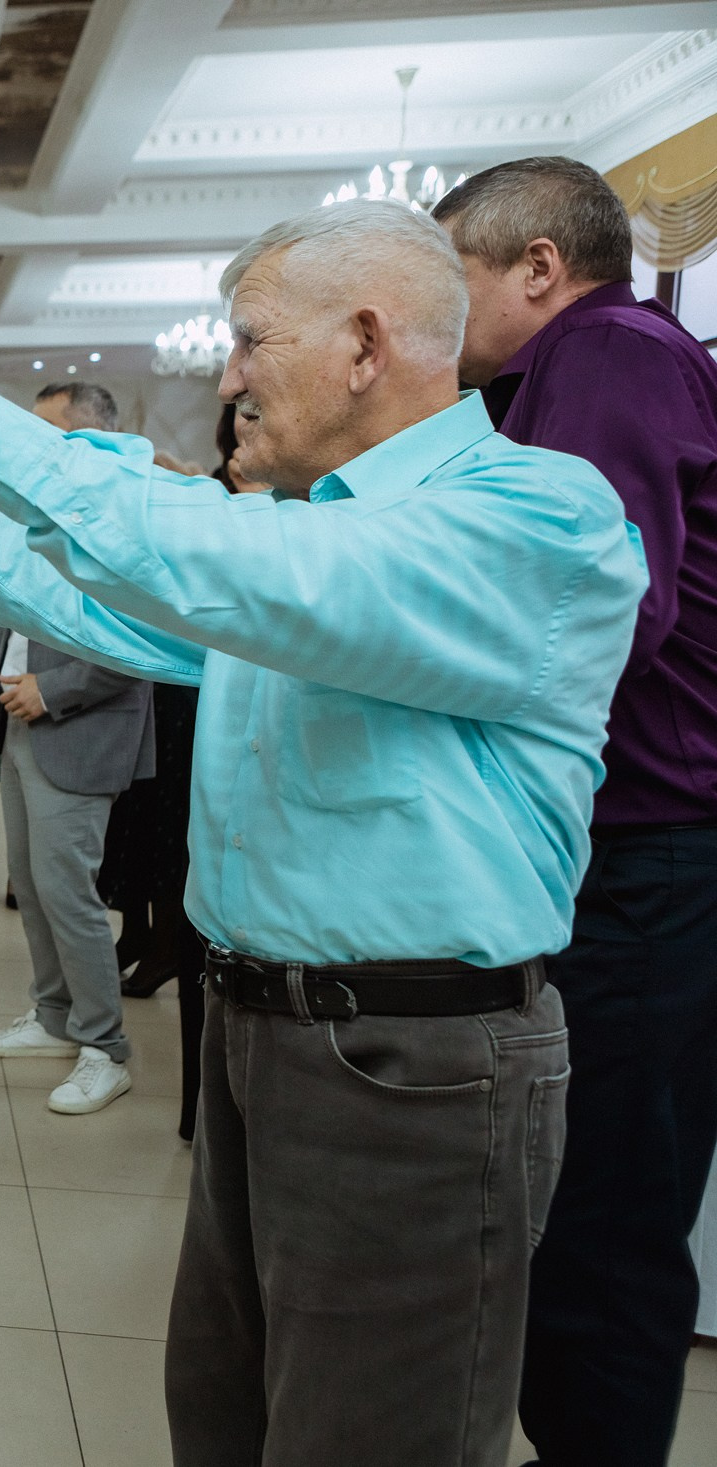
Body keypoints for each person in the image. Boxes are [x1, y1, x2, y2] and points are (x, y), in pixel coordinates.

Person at [0, 198, 644, 1464]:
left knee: (372, 1436)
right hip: (263, 1037)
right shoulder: (301, 531)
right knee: (228, 1411)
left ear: (365, 344)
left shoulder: (536, 513)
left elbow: (254, 572)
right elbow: (89, 599)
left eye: (252, 341)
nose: (228, 377)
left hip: (415, 1058)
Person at [435, 155, 717, 1467]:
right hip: (645, 845)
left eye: (455, 281)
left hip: (652, 852)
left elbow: (588, 613)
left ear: (539, 265)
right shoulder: (566, 371)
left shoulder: (604, 352)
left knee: (603, 1212)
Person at [0, 383, 156, 1117]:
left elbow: (132, 644)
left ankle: (106, 1047)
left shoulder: (120, 524)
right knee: (30, 882)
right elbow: (23, 620)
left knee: (70, 893)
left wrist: (53, 693)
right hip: (23, 729)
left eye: (47, 428)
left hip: (79, 735)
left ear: (88, 437)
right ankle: (56, 1016)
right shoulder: (47, 522)